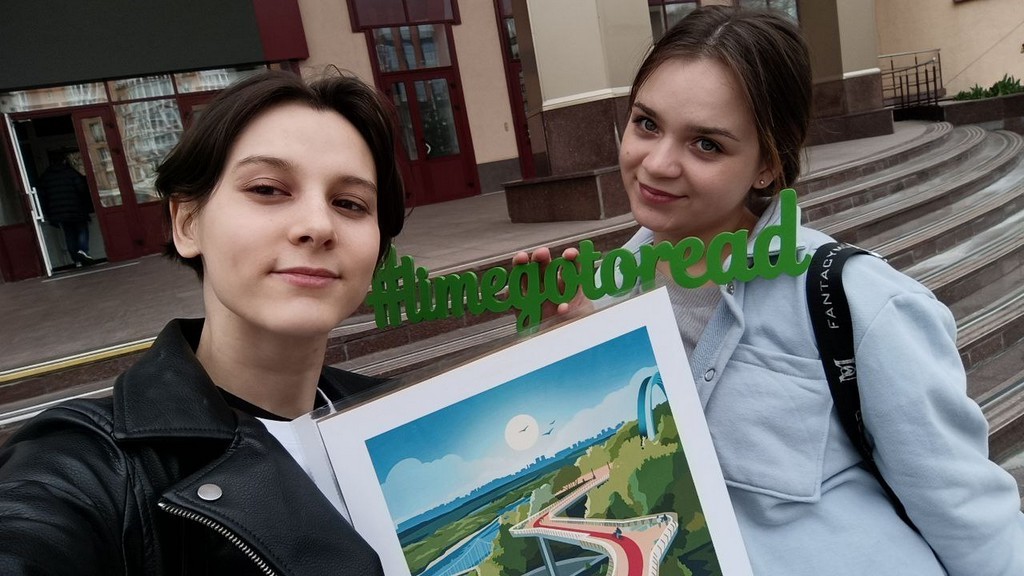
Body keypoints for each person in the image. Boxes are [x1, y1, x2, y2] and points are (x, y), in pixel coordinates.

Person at [520, 6, 1024, 575]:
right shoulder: (604, 298)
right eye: (647, 124)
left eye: (706, 144)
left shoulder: (855, 302)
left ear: (766, 165)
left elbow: (974, 524)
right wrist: (578, 357)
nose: (657, 164)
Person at [0, 70, 404, 575]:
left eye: (349, 203)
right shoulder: (93, 464)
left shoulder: (395, 415)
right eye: (267, 189)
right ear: (187, 223)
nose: (318, 226)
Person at [37, 150, 97, 266]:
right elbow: (81, 189)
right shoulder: (71, 173)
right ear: (64, 161)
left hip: (59, 212)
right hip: (76, 208)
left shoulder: (46, 176)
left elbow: (43, 195)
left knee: (69, 234)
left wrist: (49, 213)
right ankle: (83, 250)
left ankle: (76, 260)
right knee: (82, 230)